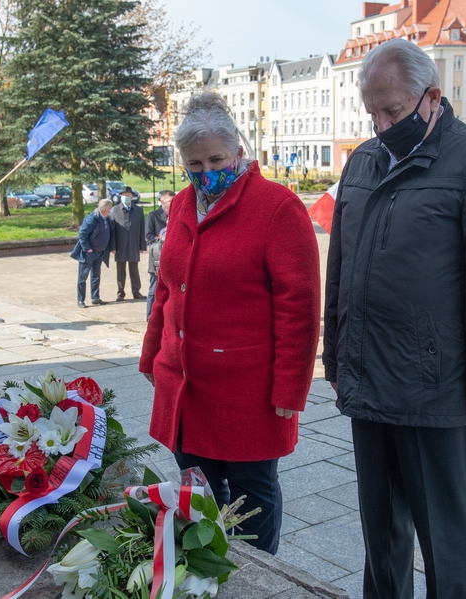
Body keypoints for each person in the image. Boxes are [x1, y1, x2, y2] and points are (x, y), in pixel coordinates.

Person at [322, 39, 466, 598]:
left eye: (392, 110)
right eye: (372, 112)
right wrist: (335, 357)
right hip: (368, 379)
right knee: (381, 533)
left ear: (431, 97)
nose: (382, 123)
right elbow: (339, 269)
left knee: (447, 536)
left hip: (436, 388)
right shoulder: (363, 161)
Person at [139, 91, 320, 555]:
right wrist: (152, 355)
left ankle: (258, 579)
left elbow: (299, 308)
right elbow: (166, 287)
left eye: (216, 159)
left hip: (247, 392)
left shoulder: (277, 207)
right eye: (194, 164)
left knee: (249, 500)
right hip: (185, 385)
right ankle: (205, 571)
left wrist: (290, 391)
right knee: (197, 496)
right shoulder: (182, 204)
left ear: (239, 151)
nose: (206, 172)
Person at [71, 199, 114, 309]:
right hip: (89, 253)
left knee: (96, 275)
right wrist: (87, 249)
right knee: (82, 277)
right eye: (110, 208)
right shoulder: (91, 219)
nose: (111, 210)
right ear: (104, 209)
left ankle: (95, 298)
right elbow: (82, 235)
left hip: (100, 252)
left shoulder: (106, 218)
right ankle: (80, 300)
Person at [110, 187, 146, 301]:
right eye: (123, 195)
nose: (125, 197)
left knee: (134, 269)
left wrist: (142, 245)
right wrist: (113, 246)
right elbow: (112, 230)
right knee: (121, 270)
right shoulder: (115, 210)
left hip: (134, 244)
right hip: (120, 245)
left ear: (132, 196)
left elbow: (142, 228)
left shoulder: (138, 210)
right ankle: (120, 293)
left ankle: (136, 291)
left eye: (128, 195)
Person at [145, 190, 174, 320]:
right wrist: (162, 237)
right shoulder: (153, 215)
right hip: (156, 256)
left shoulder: (177, 214)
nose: (173, 203)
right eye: (170, 201)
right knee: (154, 288)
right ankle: (150, 316)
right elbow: (148, 236)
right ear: (162, 201)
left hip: (171, 258)